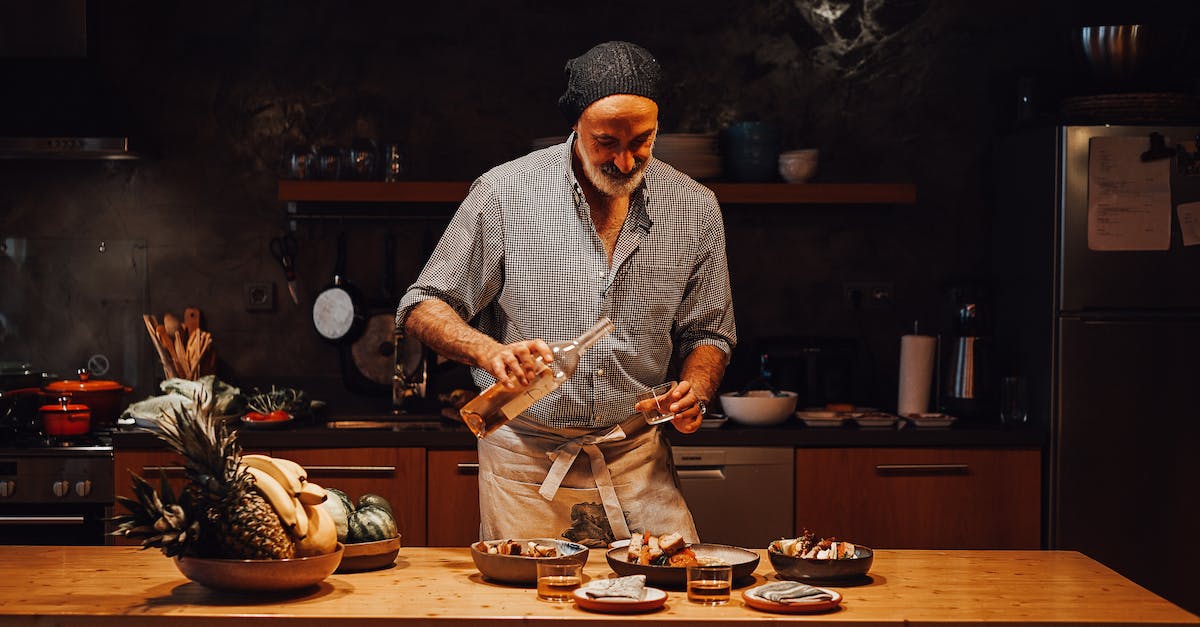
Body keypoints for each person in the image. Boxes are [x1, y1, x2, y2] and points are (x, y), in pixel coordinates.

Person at [396, 41, 736, 547]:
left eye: (642, 140)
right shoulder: (504, 193)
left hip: (637, 459)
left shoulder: (695, 207)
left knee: (665, 608)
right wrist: (491, 352)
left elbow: (708, 330)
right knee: (531, 613)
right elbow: (421, 305)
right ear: (575, 126)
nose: (624, 160)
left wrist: (697, 390)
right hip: (526, 467)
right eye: (606, 142)